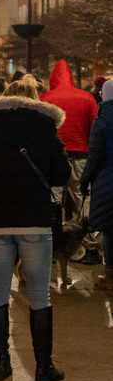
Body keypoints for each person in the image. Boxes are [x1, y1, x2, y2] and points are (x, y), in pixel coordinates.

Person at [0, 76, 70, 381]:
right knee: (39, 295)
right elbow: (61, 174)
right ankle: (44, 367)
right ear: (36, 100)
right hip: (35, 220)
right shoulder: (46, 129)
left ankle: (1, 367)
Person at [40, 60, 99, 263]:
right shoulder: (87, 97)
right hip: (81, 155)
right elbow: (94, 128)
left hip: (53, 158)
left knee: (53, 201)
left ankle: (52, 246)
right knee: (83, 200)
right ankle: (92, 247)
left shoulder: (45, 98)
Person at [80, 79, 113, 289]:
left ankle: (110, 277)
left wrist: (84, 182)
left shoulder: (101, 122)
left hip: (107, 183)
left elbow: (94, 158)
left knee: (110, 231)